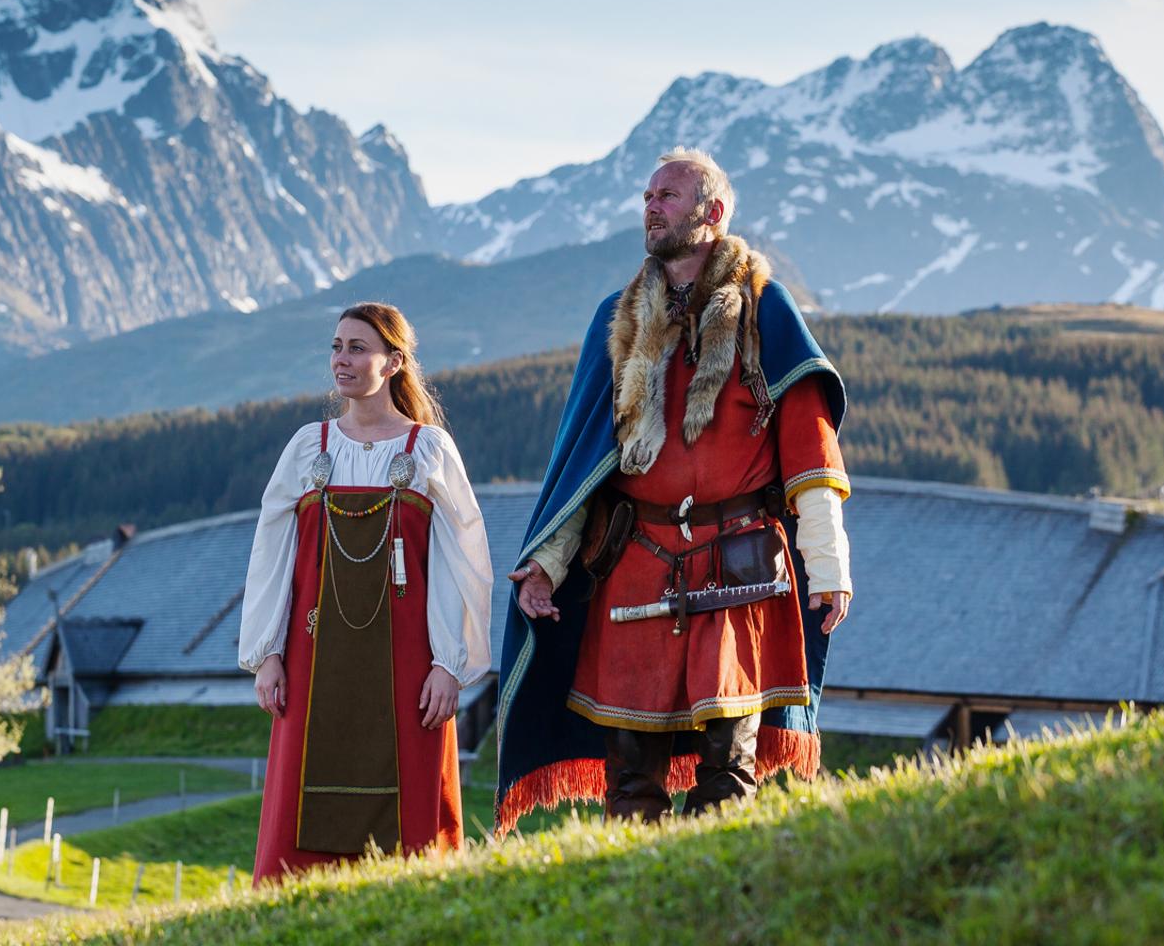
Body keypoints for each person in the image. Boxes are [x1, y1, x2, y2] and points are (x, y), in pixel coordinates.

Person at [494, 148, 853, 829]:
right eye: (648, 196)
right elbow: (587, 459)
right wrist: (545, 565)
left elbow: (811, 451)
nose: (651, 206)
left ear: (711, 213)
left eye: (669, 195)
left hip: (740, 564)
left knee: (728, 763)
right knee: (631, 767)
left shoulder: (762, 310)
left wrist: (829, 566)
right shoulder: (620, 316)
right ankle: (632, 897)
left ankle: (716, 894)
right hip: (635, 560)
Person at [240, 302, 495, 883]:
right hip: (311, 658)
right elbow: (271, 554)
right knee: (301, 807)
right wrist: (268, 653)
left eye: (357, 348)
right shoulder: (309, 448)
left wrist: (449, 665)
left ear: (394, 361)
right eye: (336, 347)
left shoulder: (428, 450)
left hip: (408, 662)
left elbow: (465, 562)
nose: (342, 359)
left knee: (411, 829)